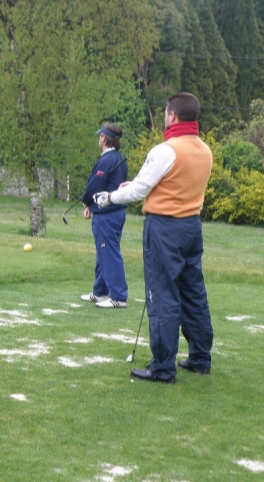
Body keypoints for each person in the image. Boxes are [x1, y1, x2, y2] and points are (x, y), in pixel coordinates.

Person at [93, 92, 213, 384]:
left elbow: (138, 192)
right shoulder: (205, 150)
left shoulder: (166, 150)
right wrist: (132, 185)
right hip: (191, 227)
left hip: (164, 229)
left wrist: (108, 197)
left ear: (172, 115)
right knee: (193, 292)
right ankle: (200, 358)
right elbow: (162, 184)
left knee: (162, 295)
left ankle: (162, 367)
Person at [80, 122, 129, 309]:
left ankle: (118, 296)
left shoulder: (106, 161)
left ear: (103, 138)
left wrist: (87, 202)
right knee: (104, 252)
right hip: (114, 212)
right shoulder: (118, 158)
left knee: (109, 252)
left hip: (107, 214)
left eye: (99, 136)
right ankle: (100, 291)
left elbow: (94, 186)